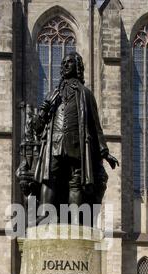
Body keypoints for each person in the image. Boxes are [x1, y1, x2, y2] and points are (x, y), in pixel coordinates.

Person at [32, 51, 119, 221]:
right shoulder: (52, 95)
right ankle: (44, 215)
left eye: (69, 62)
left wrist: (104, 151)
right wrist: (44, 107)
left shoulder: (86, 94)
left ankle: (74, 220)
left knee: (76, 181)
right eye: (63, 63)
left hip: (77, 145)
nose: (64, 66)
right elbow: (37, 128)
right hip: (54, 143)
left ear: (77, 67)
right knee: (49, 177)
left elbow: (95, 126)